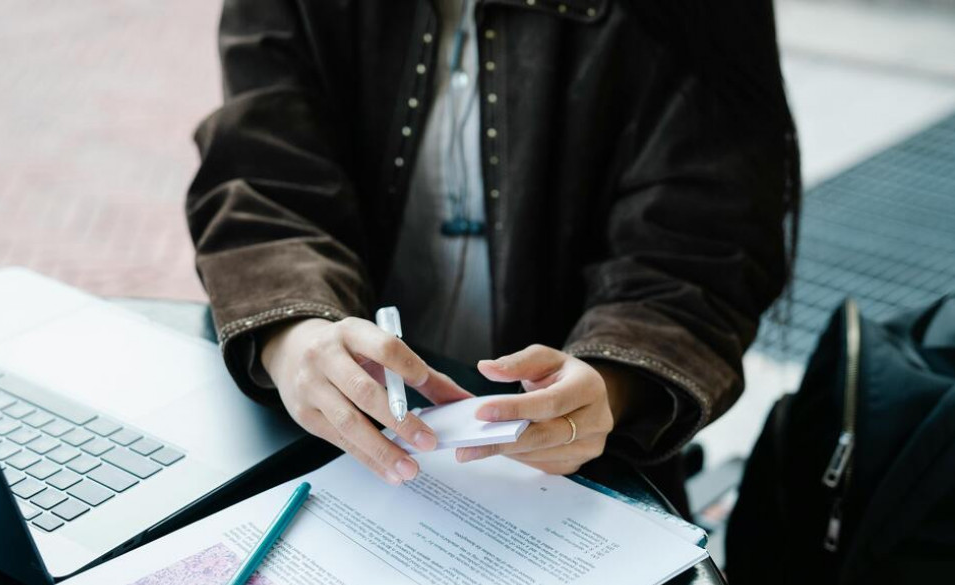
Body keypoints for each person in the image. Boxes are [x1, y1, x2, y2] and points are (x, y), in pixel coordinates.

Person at [186, 0, 799, 514]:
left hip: (581, 481)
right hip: (330, 447)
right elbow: (260, 172)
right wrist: (294, 334)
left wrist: (612, 384)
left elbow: (704, 247)